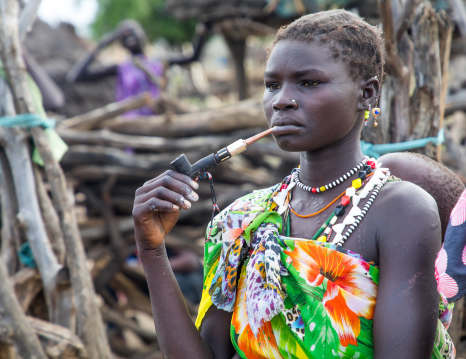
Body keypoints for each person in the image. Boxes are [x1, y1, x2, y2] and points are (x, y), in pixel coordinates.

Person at [132, 9, 454, 359]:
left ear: (368, 94)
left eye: (309, 82)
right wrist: (151, 251)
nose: (281, 100)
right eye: (272, 85)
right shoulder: (243, 220)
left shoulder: (402, 212)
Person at [66, 19, 210, 118]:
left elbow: (193, 57)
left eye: (133, 30)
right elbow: (75, 77)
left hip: (159, 122)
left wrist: (202, 31)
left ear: (143, 35)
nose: (129, 34)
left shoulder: (159, 61)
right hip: (130, 127)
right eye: (123, 34)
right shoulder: (121, 68)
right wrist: (104, 42)